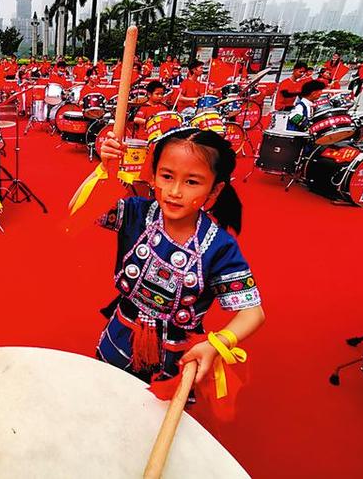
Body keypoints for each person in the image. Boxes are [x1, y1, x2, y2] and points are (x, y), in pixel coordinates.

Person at [93, 127, 265, 387]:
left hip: (176, 353)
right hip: (121, 333)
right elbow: (82, 210)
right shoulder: (136, 213)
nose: (174, 191)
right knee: (106, 394)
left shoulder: (218, 246)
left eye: (192, 182)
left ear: (215, 190)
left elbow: (253, 312)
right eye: (166, 176)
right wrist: (103, 171)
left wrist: (217, 343)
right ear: (153, 176)